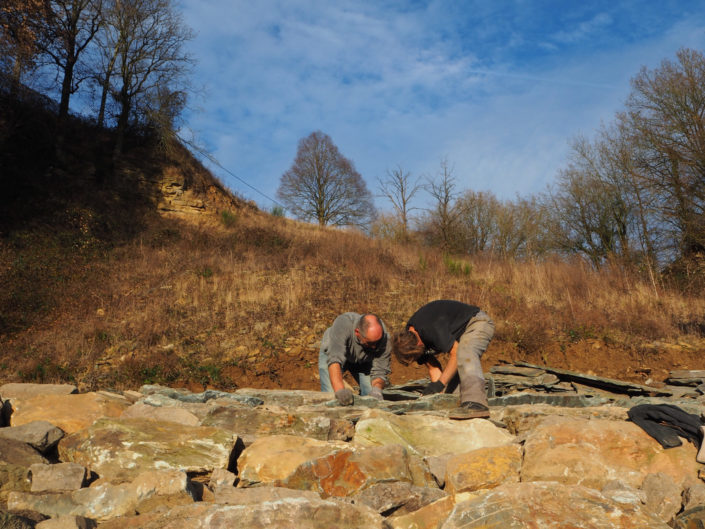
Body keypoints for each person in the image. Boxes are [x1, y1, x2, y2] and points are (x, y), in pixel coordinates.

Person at [393, 300, 494, 419]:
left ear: (419, 344)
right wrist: (435, 394)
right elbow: (433, 368)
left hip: (477, 322)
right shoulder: (410, 336)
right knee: (452, 378)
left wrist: (440, 384)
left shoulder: (431, 328)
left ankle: (476, 403)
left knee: (465, 351)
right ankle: (460, 405)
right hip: (460, 334)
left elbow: (456, 354)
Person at [318, 312, 391, 406]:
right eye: (370, 343)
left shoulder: (384, 339)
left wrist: (376, 390)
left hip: (364, 360)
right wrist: (340, 391)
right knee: (332, 396)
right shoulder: (343, 325)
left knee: (371, 399)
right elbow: (334, 360)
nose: (374, 347)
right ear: (357, 332)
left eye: (377, 342)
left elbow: (380, 371)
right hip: (333, 352)